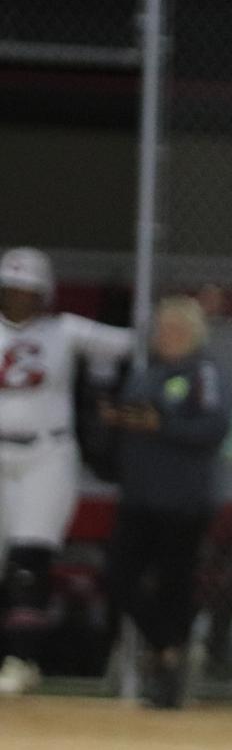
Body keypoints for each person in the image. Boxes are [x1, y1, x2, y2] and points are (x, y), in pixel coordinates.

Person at [0, 246, 134, 695]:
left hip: (47, 454)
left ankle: (22, 659)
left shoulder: (65, 330)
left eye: (28, 291)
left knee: (29, 561)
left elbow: (130, 341)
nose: (19, 299)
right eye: (12, 290)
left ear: (45, 295)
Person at [103, 297, 232, 708]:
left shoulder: (204, 374)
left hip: (183, 499)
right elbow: (130, 420)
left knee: (175, 586)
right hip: (139, 495)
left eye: (174, 330)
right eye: (161, 329)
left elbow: (212, 428)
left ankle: (169, 677)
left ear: (193, 334)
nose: (165, 336)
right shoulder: (146, 373)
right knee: (117, 576)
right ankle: (168, 650)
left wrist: (161, 424)